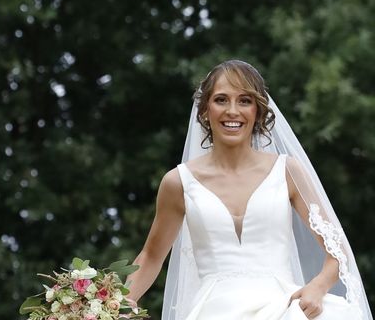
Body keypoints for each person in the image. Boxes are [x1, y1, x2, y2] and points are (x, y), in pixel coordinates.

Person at [124, 60, 372, 320]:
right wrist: (119, 301)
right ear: (205, 110)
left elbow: (337, 251)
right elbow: (151, 255)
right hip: (214, 311)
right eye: (221, 99)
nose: (233, 111)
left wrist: (317, 287)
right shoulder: (178, 182)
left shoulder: (287, 171)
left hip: (284, 308)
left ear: (258, 110)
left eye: (244, 101)